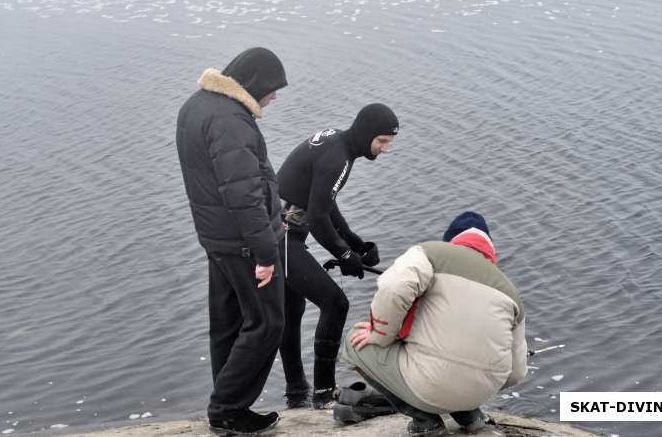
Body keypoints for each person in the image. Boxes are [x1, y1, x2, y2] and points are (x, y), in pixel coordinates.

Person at [175, 47, 288, 434]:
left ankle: (225, 405)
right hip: (243, 241)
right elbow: (243, 194)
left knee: (226, 323)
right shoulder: (230, 122)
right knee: (267, 322)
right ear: (254, 84)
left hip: (217, 238)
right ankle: (227, 408)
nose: (274, 97)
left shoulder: (198, 105)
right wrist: (265, 252)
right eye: (272, 90)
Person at [341, 212, 527, 436]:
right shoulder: (510, 291)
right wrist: (479, 383)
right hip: (480, 393)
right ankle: (470, 416)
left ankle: (425, 422)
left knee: (354, 342)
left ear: (451, 241)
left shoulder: (430, 253)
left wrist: (381, 333)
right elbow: (516, 373)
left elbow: (393, 286)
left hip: (430, 386)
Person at [276, 103, 399, 409]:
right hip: (280, 239)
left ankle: (295, 391)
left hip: (278, 233)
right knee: (335, 303)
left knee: (292, 312)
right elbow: (318, 218)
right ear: (368, 133)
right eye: (382, 142)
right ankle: (323, 392)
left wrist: (355, 244)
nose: (386, 150)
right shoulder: (338, 160)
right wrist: (344, 255)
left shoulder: (338, 143)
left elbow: (324, 203)